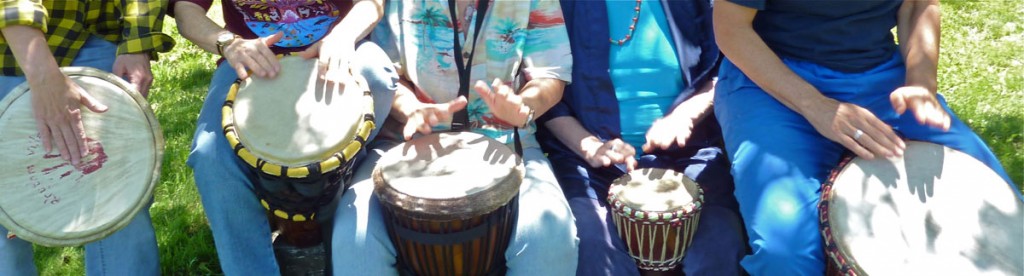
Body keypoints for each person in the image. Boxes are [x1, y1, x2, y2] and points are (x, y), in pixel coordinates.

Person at [713, 0, 1020, 274]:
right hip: (771, 82)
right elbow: (732, 30)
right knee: (785, 249)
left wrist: (921, 84)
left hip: (881, 77)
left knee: (1009, 221)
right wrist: (817, 107)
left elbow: (918, 5)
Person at [330, 0, 579, 274]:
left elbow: (551, 75)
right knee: (353, 239)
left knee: (551, 239)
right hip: (406, 143)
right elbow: (390, 74)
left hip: (509, 140)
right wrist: (411, 108)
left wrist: (522, 106)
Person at [170, 0, 397, 273]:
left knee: (378, 76)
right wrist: (228, 43)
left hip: (335, 50)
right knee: (211, 156)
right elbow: (186, 9)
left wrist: (344, 34)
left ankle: (342, 178)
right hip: (253, 61)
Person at [537, 0, 746, 275]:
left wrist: (686, 114)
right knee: (593, 251)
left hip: (687, 154)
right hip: (588, 162)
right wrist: (589, 146)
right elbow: (544, 92)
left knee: (720, 245)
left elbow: (727, 68)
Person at [0, 0, 173, 274]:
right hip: (8, 45)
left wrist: (137, 44)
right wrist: (45, 78)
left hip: (95, 36)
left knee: (123, 185)